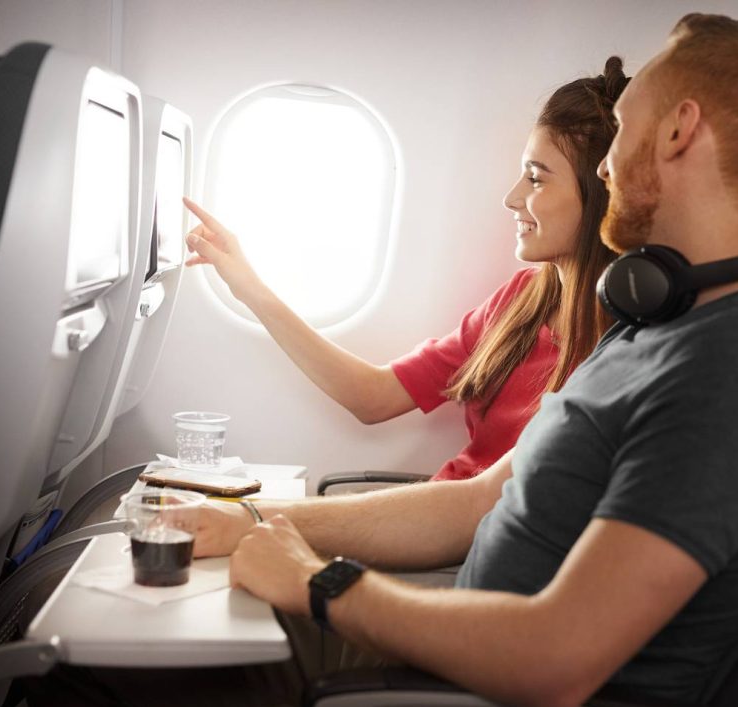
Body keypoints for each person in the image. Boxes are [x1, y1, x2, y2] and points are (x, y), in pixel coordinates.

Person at [30, 14, 738, 707]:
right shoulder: (653, 323)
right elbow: (477, 502)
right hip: (448, 644)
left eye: (622, 130)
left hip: (467, 688)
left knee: (89, 675)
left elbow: (557, 658)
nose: (606, 164)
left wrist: (321, 586)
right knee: (132, 624)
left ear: (678, 131)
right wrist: (248, 525)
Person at [182, 58, 626, 483]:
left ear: (602, 194)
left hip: (469, 537)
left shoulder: (626, 349)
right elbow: (371, 398)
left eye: (535, 178)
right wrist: (249, 288)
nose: (511, 198)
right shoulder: (519, 301)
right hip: (442, 513)